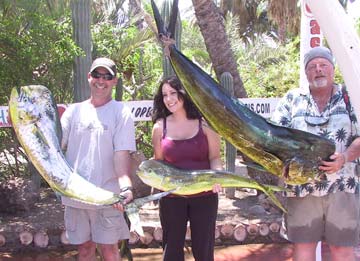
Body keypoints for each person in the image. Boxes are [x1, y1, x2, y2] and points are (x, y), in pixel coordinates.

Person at [271, 46, 360, 261]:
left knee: (342, 250)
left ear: (333, 69)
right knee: (303, 248)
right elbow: (274, 136)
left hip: (342, 185)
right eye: (312, 67)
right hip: (301, 189)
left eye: (323, 65)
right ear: (306, 72)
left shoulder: (351, 97)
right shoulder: (292, 99)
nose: (318, 70)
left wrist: (345, 157)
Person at [60, 57, 136, 261]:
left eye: (107, 76)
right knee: (84, 249)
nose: (101, 80)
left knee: (109, 250)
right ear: (89, 77)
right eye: (96, 75)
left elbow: (121, 157)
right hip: (75, 197)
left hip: (107, 198)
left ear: (115, 81)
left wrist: (126, 188)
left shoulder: (121, 113)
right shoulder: (72, 112)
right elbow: (55, 146)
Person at [151, 75, 223, 261]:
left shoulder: (206, 124)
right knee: (172, 250)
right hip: (171, 197)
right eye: (164, 95)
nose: (169, 99)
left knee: (204, 251)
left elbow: (215, 157)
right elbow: (158, 162)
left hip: (205, 196)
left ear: (185, 93)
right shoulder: (159, 127)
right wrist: (153, 186)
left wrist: (217, 178)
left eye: (173, 93)